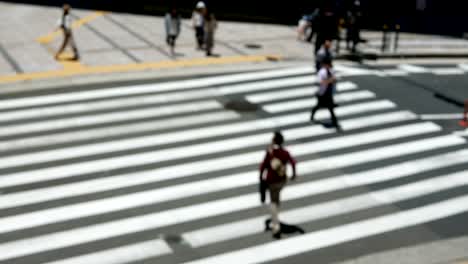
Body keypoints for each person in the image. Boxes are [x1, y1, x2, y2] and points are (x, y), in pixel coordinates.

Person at [259, 131, 297, 239]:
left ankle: (276, 227)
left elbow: (264, 165)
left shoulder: (270, 152)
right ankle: (276, 211)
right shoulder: (285, 152)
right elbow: (293, 162)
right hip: (282, 180)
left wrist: (261, 176)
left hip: (271, 180)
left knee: (273, 203)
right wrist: (294, 174)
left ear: (274, 140)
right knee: (276, 197)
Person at [310, 57, 341, 131]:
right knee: (319, 105)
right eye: (328, 64)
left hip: (329, 93)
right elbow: (320, 82)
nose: (330, 66)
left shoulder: (331, 70)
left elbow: (334, 79)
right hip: (322, 93)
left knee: (330, 108)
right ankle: (312, 115)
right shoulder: (322, 72)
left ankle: (334, 121)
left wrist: (334, 80)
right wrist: (330, 80)